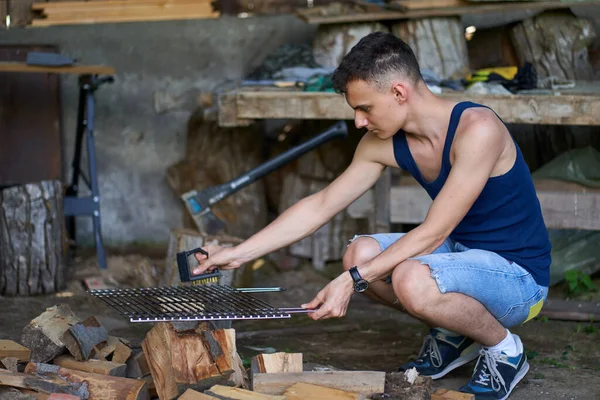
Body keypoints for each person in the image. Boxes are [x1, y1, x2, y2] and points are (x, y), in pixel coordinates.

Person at [193, 32, 551, 400]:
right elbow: (322, 204)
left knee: (408, 277)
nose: (359, 122)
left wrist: (351, 281)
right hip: (462, 257)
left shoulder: (477, 129)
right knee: (358, 254)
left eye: (365, 108)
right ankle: (453, 333)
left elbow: (433, 232)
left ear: (398, 93)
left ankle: (505, 348)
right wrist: (239, 254)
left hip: (518, 279)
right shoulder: (382, 143)